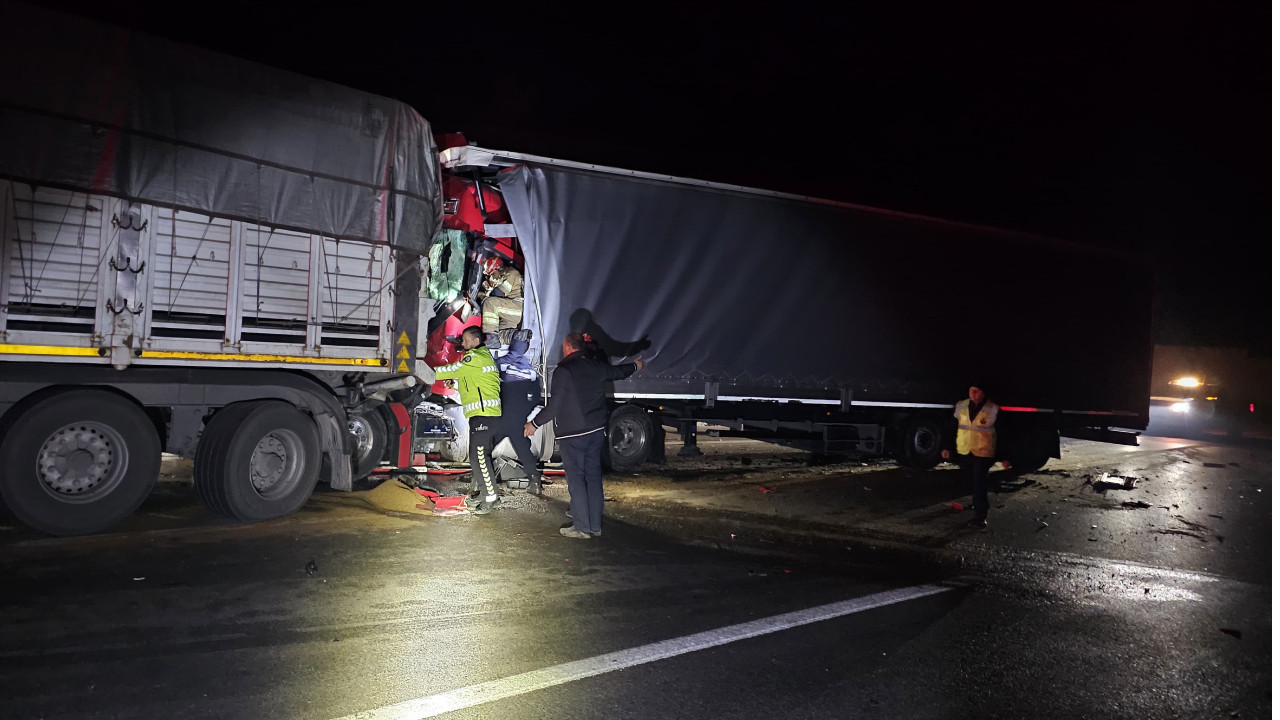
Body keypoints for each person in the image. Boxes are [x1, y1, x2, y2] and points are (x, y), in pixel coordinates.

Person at [524, 332, 644, 539]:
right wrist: (636, 366)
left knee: (577, 480)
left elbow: (555, 406)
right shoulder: (596, 365)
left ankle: (581, 527)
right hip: (595, 431)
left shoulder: (564, 371)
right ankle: (595, 526)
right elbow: (618, 372)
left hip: (573, 434)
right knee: (593, 478)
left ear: (568, 347)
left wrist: (534, 424)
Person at [432, 326, 503, 514]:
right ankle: (485, 493)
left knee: (479, 457)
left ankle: (490, 498)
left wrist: (427, 372)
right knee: (478, 457)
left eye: (465, 339)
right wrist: (455, 384)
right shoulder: (481, 358)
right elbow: (471, 382)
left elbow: (452, 369)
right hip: (484, 415)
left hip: (484, 415)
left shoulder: (475, 358)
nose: (462, 343)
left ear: (476, 341)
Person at [493, 329, 544, 494]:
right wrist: (524, 413)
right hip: (517, 420)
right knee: (523, 451)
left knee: (484, 449)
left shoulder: (502, 363)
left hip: (500, 417)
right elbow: (535, 397)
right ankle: (535, 483)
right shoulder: (530, 371)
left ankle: (479, 483)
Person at [941, 384, 999, 528]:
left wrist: (1003, 455)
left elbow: (1001, 433)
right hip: (966, 451)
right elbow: (952, 427)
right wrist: (947, 447)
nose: (973, 393)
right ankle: (977, 505)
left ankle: (980, 515)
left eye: (977, 390)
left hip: (983, 452)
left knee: (979, 482)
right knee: (970, 480)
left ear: (983, 392)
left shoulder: (993, 408)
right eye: (971, 390)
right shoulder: (962, 405)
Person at [479, 257, 525, 346]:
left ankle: (491, 339)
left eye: (492, 274)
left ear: (498, 269)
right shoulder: (504, 276)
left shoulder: (512, 274)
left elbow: (498, 293)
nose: (492, 277)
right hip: (514, 311)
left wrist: (483, 295)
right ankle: (514, 337)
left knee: (489, 303)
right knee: (499, 332)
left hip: (519, 308)